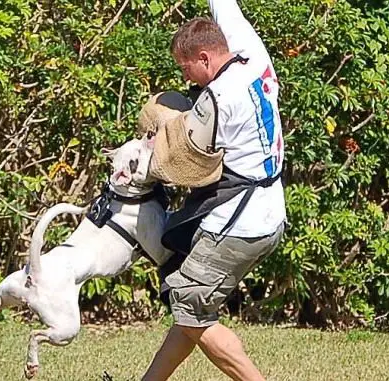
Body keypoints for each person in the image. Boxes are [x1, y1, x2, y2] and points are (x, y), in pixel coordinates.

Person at [139, 0, 286, 380]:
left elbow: (182, 168)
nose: (185, 76)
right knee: (192, 307)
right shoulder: (252, 55)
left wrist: (156, 141)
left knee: (188, 304)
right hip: (271, 213)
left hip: (238, 223)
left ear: (204, 58)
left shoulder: (217, 100)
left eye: (185, 68)